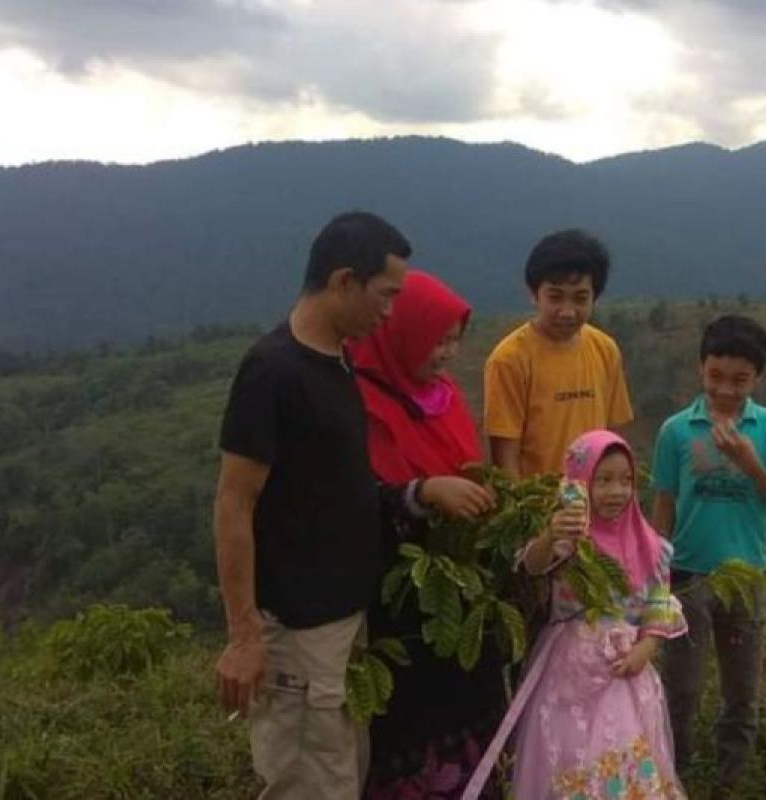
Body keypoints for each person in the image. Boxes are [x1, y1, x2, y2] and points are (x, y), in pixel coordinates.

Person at [214, 211, 411, 799]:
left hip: (343, 623)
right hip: (298, 632)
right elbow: (233, 504)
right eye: (385, 295)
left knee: (342, 776)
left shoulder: (340, 359)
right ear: (344, 281)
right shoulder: (272, 371)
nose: (390, 311)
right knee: (308, 784)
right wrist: (245, 635)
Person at [344, 269, 504, 798]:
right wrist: (422, 493)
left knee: (472, 712)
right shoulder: (358, 402)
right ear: (402, 333)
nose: (447, 353)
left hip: (463, 592)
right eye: (437, 340)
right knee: (410, 725)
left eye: (455, 340)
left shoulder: (446, 397)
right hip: (400, 601)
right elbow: (352, 497)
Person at [462, 430, 688, 800]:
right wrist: (551, 535)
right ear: (580, 483)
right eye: (603, 481)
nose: (616, 491)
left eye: (625, 481)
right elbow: (533, 566)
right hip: (570, 672)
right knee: (571, 757)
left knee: (623, 757)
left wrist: (645, 649)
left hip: (624, 676)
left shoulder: (654, 546)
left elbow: (659, 606)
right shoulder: (571, 538)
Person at [651, 314, 766, 798]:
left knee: (742, 692)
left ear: (757, 378)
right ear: (701, 369)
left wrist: (749, 463)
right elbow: (664, 504)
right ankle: (673, 774)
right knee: (681, 690)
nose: (726, 389)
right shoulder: (676, 431)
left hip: (744, 575)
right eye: (716, 377)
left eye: (739, 380)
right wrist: (655, 572)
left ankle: (730, 780)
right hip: (687, 575)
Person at [483, 229, 634, 479]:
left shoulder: (604, 349)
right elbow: (505, 456)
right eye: (555, 297)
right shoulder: (510, 359)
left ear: (594, 298)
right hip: (540, 506)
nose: (567, 311)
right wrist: (523, 512)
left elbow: (615, 432)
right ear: (534, 294)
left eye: (580, 299)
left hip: (595, 504)